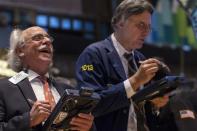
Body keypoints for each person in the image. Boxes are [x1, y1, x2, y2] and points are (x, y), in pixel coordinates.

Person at [75, 0, 169, 131]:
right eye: (141, 25)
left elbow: (142, 110)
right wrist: (135, 81)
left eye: (148, 27)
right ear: (120, 22)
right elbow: (92, 105)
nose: (146, 32)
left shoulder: (140, 59)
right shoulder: (92, 56)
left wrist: (155, 103)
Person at [0, 26, 94, 131]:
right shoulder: (3, 88)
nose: (47, 41)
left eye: (49, 38)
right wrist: (28, 120)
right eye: (37, 38)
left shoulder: (69, 89)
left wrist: (88, 127)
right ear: (20, 51)